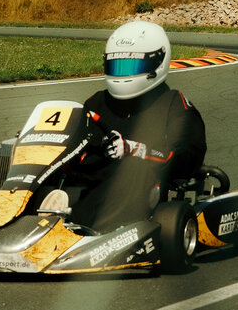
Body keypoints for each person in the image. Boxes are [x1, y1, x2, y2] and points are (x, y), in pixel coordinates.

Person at [64, 21, 207, 231]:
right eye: (117, 66)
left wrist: (135, 149)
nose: (123, 74)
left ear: (157, 63)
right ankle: (36, 218)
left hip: (146, 191)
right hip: (91, 185)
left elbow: (185, 157)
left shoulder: (173, 104)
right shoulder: (97, 102)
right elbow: (75, 145)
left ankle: (96, 229)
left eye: (132, 66)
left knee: (130, 169)